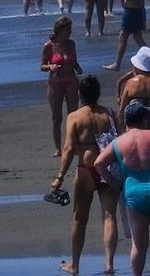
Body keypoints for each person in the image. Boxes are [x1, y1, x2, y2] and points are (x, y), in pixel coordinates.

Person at [95, 101, 150, 276]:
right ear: (143, 120)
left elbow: (99, 163)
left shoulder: (118, 143)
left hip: (134, 194)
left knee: (138, 244)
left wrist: (113, 183)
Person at [49, 76, 119, 275]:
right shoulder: (110, 114)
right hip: (108, 168)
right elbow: (120, 140)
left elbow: (69, 148)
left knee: (80, 218)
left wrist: (60, 176)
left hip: (86, 169)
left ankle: (75, 265)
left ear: (80, 94)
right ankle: (109, 265)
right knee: (109, 216)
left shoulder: (75, 116)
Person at [41, 17, 83, 156]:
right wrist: (50, 66)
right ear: (60, 30)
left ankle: (72, 145)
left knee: (73, 115)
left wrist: (78, 68)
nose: (70, 33)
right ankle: (58, 148)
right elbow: (42, 66)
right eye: (68, 30)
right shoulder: (49, 46)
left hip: (71, 80)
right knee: (56, 117)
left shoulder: (71, 44)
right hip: (55, 82)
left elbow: (75, 61)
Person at [104, 0, 148, 71]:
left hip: (131, 10)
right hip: (138, 10)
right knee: (138, 37)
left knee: (123, 36)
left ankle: (117, 64)